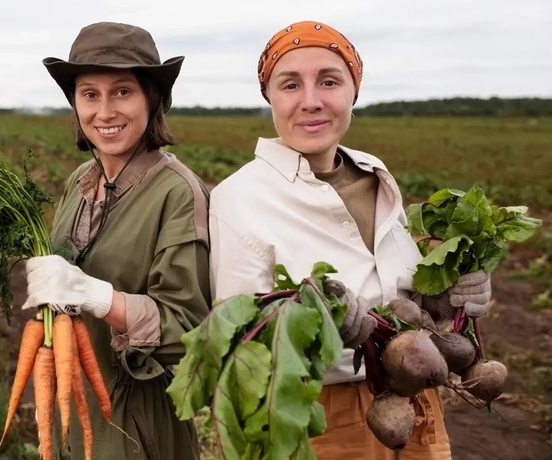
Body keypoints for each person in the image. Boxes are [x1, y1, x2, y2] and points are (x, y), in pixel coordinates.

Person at [208, 20, 492, 459]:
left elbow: (404, 292)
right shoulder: (238, 198)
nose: (311, 101)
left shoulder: (374, 175)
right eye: (289, 84)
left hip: (415, 402)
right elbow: (239, 340)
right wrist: (316, 329)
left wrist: (451, 299)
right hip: (318, 419)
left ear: (353, 91)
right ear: (270, 98)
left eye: (329, 81)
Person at [20, 22, 212, 460]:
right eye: (90, 94)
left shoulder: (177, 192)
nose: (104, 112)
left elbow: (189, 331)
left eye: (122, 91)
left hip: (139, 425)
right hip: (76, 408)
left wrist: (95, 296)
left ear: (153, 99)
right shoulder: (80, 182)